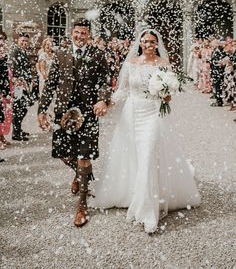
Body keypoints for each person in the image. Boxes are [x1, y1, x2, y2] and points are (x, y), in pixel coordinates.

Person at [91, 26, 201, 233]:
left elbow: (169, 92)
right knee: (135, 156)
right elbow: (122, 90)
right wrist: (106, 103)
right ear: (139, 44)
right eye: (145, 41)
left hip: (153, 113)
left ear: (157, 44)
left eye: (152, 42)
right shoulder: (131, 64)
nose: (149, 45)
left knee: (149, 154)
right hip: (132, 113)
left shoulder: (164, 64)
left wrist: (167, 95)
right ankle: (134, 193)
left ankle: (148, 211)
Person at [38, 19, 112, 227]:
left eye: (84, 33)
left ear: (89, 35)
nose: (80, 36)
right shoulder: (60, 54)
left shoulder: (97, 54)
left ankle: (82, 205)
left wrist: (102, 99)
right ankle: (81, 176)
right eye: (77, 32)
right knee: (62, 153)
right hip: (64, 114)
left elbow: (105, 80)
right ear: (72, 33)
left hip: (88, 113)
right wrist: (42, 110)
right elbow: (51, 84)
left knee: (84, 157)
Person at [10, 32, 32, 141]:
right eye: (22, 40)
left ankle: (18, 129)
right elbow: (13, 68)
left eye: (26, 41)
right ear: (18, 41)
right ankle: (16, 133)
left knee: (23, 108)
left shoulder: (24, 52)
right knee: (19, 108)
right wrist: (20, 81)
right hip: (18, 85)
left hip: (24, 84)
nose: (24, 43)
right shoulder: (15, 51)